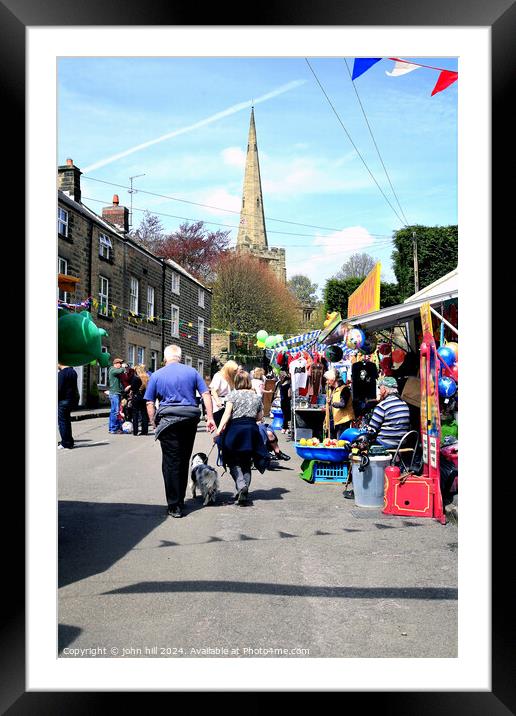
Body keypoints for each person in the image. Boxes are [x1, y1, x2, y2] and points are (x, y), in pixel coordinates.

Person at [144, 344, 216, 518]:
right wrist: (210, 417)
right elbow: (206, 394)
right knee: (184, 459)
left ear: (165, 359)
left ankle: (174, 504)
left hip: (167, 421)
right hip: (189, 419)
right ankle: (180, 499)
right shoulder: (192, 372)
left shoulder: (157, 375)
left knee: (170, 462)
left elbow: (149, 402)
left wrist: (153, 422)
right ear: (180, 358)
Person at [214, 371, 271, 505]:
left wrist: (218, 430)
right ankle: (243, 490)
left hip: (235, 430)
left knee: (231, 460)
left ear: (236, 382)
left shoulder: (232, 395)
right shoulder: (256, 397)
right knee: (246, 462)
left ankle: (241, 485)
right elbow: (260, 417)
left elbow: (227, 414)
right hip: (251, 431)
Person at [366, 376, 410, 448]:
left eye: (380, 388)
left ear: (384, 390)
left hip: (385, 443)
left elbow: (371, 430)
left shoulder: (382, 406)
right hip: (401, 443)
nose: (380, 391)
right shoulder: (404, 404)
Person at [323, 369, 355, 439]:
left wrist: (331, 403)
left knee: (340, 443)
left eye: (328, 380)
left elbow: (343, 404)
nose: (327, 382)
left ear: (333, 379)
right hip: (334, 421)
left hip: (342, 421)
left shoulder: (344, 389)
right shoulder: (333, 390)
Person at [209, 360, 239, 427]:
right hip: (220, 405)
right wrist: (218, 402)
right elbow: (213, 390)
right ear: (229, 369)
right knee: (222, 427)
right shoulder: (218, 376)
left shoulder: (231, 377)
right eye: (234, 371)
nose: (236, 372)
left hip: (228, 403)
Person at [57, 363, 79, 449]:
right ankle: (70, 441)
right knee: (67, 421)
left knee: (62, 422)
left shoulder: (62, 373)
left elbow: (59, 388)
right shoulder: (73, 372)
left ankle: (65, 443)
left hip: (63, 400)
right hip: (70, 399)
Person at [130, 364, 150, 436]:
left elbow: (132, 388)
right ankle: (145, 431)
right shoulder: (147, 378)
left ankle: (135, 431)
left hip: (136, 397)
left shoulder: (135, 378)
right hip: (144, 397)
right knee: (144, 414)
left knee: (135, 414)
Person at [108, 357, 125, 434]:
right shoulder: (112, 370)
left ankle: (112, 428)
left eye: (121, 363)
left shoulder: (116, 371)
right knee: (116, 412)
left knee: (113, 411)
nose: (121, 365)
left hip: (116, 393)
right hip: (114, 393)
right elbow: (121, 371)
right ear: (115, 364)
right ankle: (114, 428)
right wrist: (124, 368)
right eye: (120, 363)